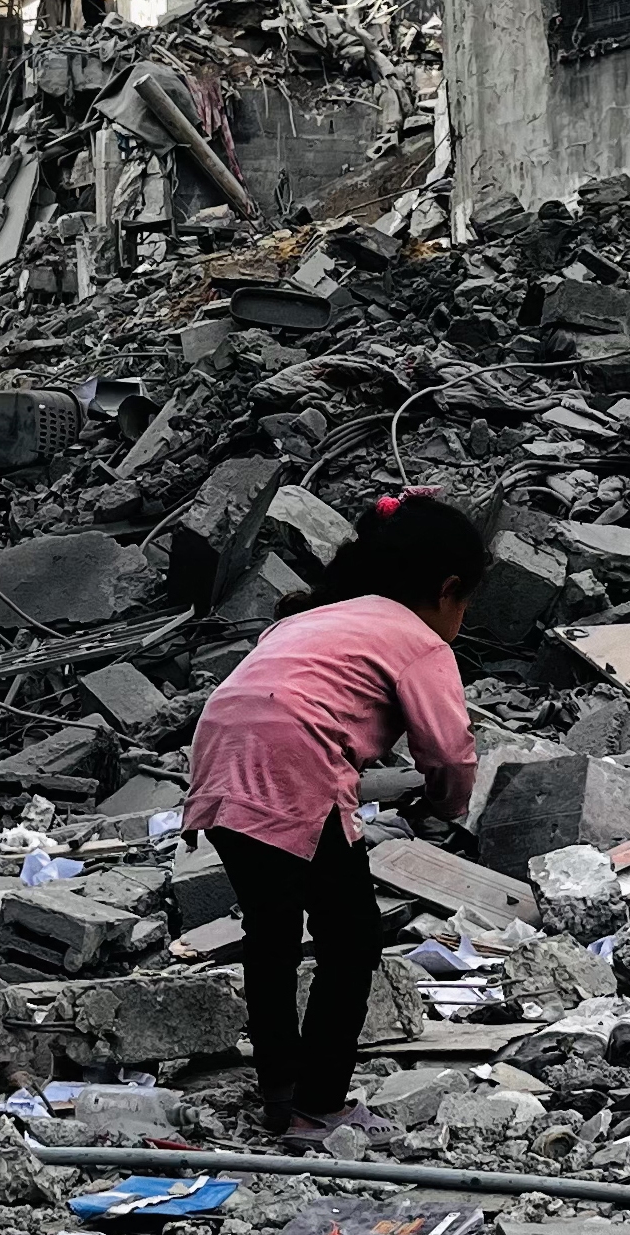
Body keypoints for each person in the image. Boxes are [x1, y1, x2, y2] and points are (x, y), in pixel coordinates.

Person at [184, 490, 485, 1148]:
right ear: (448, 587)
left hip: (218, 753)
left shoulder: (309, 618)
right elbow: (449, 752)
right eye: (464, 603)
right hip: (293, 757)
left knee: (272, 937)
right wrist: (443, 809)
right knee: (349, 940)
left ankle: (281, 1094)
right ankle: (319, 1108)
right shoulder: (418, 638)